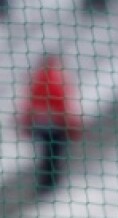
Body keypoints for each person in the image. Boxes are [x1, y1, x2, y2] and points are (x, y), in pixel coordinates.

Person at [17, 53, 84, 193]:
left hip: (44, 125)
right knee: (53, 154)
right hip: (53, 125)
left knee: (48, 154)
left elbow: (31, 104)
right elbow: (61, 104)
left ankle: (47, 184)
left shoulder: (39, 78)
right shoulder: (55, 78)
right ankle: (50, 184)